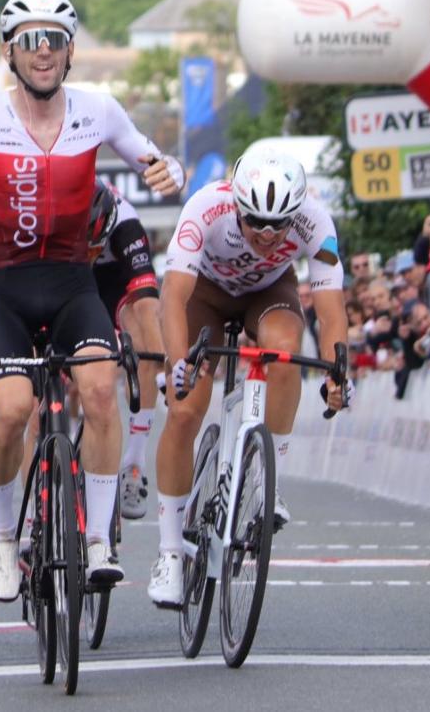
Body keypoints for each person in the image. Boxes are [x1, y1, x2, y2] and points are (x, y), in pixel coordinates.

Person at [0, 0, 184, 600]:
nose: (42, 52)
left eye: (54, 41)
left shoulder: (99, 109)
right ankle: (2, 531)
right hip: (4, 288)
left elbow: (156, 161)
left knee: (100, 390)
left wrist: (173, 172)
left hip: (71, 284)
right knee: (10, 412)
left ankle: (98, 539)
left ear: (69, 51)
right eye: (30, 41)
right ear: (9, 51)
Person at [149, 149, 348, 609]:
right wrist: (179, 364)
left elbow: (331, 309)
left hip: (268, 294)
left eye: (278, 224)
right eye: (255, 220)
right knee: (185, 412)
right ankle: (170, 553)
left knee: (283, 352)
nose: (266, 233)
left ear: (296, 214)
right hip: (204, 296)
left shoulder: (316, 224)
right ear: (237, 205)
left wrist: (340, 372)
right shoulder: (205, 207)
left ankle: (267, 486)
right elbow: (173, 298)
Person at [86, 181, 164, 520]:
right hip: (75, 284)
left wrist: (163, 364)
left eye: (95, 243)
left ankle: (134, 463)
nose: (91, 250)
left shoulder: (126, 224)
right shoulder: (56, 217)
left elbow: (147, 305)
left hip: (118, 284)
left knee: (146, 343)